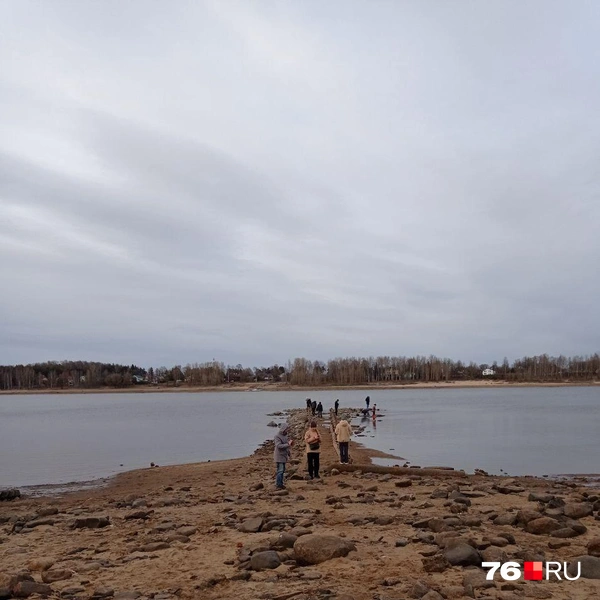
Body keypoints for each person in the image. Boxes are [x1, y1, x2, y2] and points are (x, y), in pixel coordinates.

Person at [273, 424, 294, 489]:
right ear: (283, 429)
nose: (287, 430)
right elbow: (278, 446)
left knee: (282, 470)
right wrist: (288, 444)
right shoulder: (277, 436)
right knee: (280, 470)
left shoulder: (285, 436)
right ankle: (278, 484)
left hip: (284, 456)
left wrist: (289, 454)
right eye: (287, 429)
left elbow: (286, 446)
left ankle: (281, 483)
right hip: (279, 456)